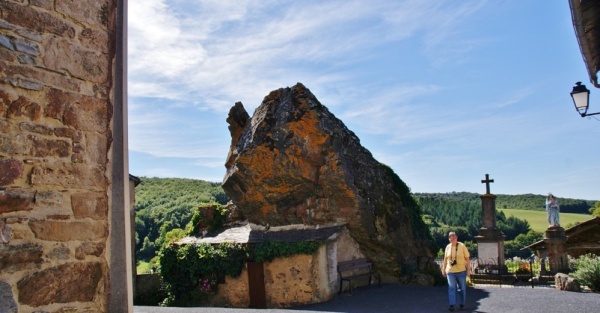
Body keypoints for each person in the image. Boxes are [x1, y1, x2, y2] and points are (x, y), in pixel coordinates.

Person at [442, 231, 470, 311]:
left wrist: (468, 269)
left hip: (461, 271)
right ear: (449, 239)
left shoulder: (462, 246)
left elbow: (467, 257)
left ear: (457, 238)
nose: (453, 238)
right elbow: (445, 259)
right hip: (450, 271)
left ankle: (462, 303)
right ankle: (452, 304)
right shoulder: (448, 247)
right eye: (451, 237)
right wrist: (443, 269)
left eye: (454, 237)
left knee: (462, 288)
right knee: (451, 287)